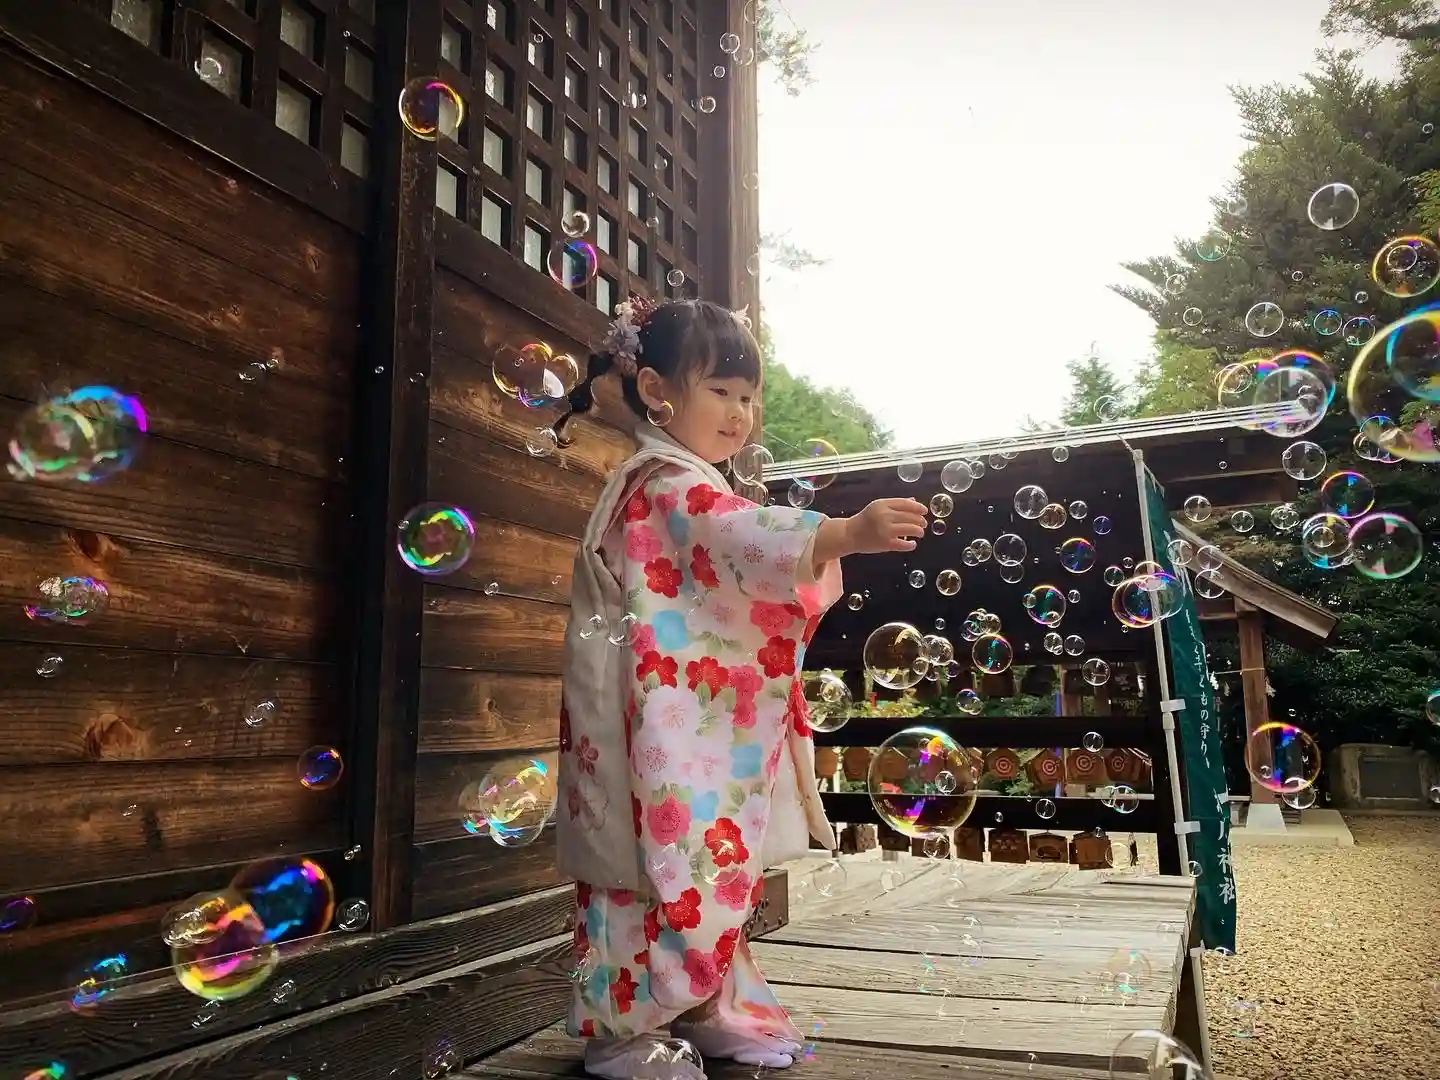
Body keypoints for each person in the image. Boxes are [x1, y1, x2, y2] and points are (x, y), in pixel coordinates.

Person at [552, 296, 927, 1080]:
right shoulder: (662, 485)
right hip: (646, 721)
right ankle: (622, 1033)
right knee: (645, 865)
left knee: (701, 863)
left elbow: (725, 563)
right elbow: (732, 536)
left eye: (749, 396)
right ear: (655, 390)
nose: (740, 412)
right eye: (720, 390)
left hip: (674, 712)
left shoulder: (682, 480)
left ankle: (705, 1007)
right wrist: (844, 534)